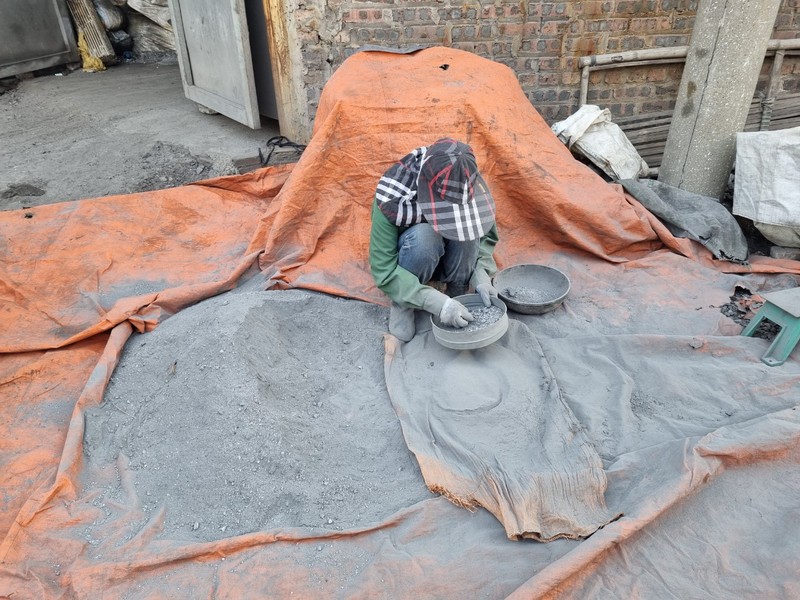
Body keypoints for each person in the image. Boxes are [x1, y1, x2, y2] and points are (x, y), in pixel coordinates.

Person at [369, 138, 500, 341]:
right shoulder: (394, 195)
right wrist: (437, 303)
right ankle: (404, 303)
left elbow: (485, 234)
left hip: (451, 260)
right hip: (415, 260)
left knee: (469, 236)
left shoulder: (461, 178)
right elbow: (383, 270)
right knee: (425, 237)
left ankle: (459, 290)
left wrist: (480, 273)